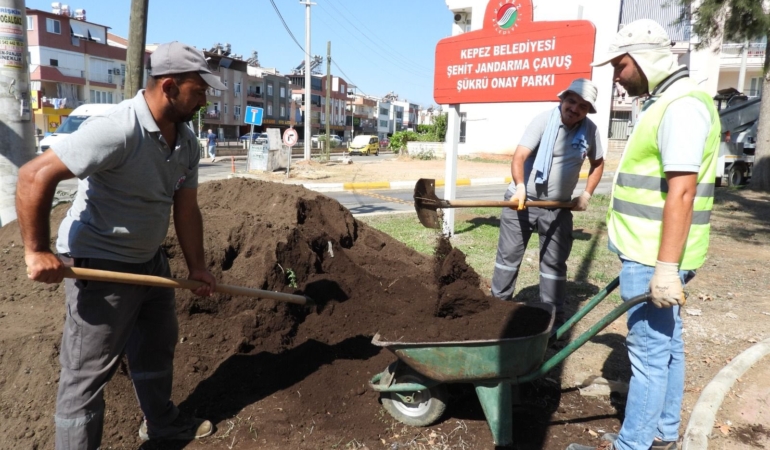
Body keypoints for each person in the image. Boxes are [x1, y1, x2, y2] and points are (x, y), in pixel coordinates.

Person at [16, 41, 228, 449]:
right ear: (169, 86)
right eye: (199, 91)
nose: (205, 100)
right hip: (101, 265)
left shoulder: (186, 141)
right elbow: (33, 176)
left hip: (149, 260)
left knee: (156, 345)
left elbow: (186, 208)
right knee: (87, 374)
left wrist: (197, 267)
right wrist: (37, 250)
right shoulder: (118, 128)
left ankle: (161, 423)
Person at [567, 19, 720, 450]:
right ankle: (661, 432)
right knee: (667, 347)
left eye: (620, 65)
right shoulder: (668, 101)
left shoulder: (680, 106)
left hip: (654, 256)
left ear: (644, 59)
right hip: (652, 250)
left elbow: (683, 190)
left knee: (649, 355)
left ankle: (632, 444)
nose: (616, 76)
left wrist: (666, 268)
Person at [491, 78, 605, 328]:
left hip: (558, 208)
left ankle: (552, 323)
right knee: (507, 259)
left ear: (588, 110)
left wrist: (586, 194)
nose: (575, 109)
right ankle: (497, 313)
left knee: (554, 266)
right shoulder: (543, 121)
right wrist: (520, 187)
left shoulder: (591, 131)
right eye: (571, 101)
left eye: (583, 106)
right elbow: (519, 157)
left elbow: (597, 164)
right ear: (562, 99)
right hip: (522, 203)